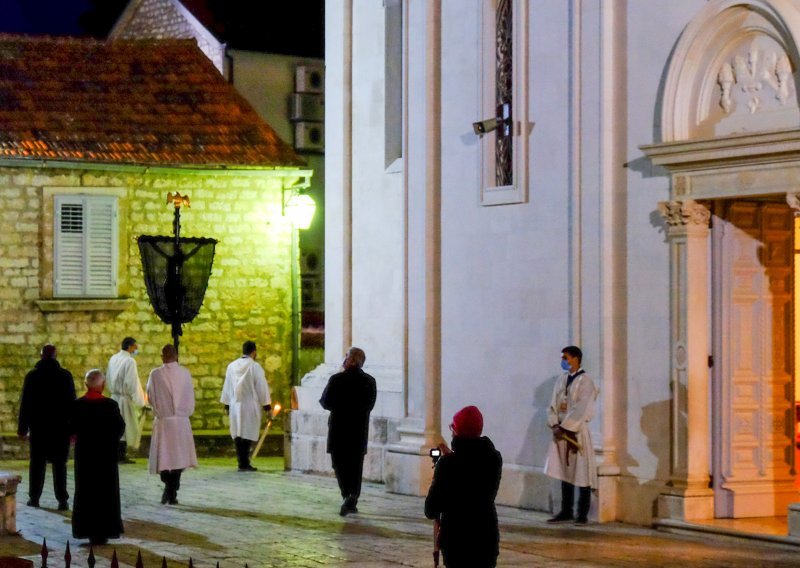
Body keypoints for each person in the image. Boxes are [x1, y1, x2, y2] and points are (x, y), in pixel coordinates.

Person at [425, 406, 502, 568]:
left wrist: (442, 467)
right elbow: (471, 468)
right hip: (486, 538)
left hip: (456, 541)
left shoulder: (448, 465)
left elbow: (431, 508)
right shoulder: (494, 459)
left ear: (457, 431)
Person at [17, 344, 76, 510]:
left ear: (41, 356)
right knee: (60, 465)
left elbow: (26, 404)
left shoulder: (32, 376)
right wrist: (73, 429)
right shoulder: (65, 376)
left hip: (39, 428)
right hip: (61, 428)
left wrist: (22, 428)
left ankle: (34, 498)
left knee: (37, 464)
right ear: (55, 356)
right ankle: (62, 500)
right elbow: (72, 404)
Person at [544, 345, 598, 525]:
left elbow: (582, 408)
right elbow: (553, 404)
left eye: (566, 358)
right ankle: (566, 510)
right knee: (565, 471)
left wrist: (566, 426)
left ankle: (582, 513)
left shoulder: (586, 381)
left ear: (576, 359)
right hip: (560, 431)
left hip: (576, 432)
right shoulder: (562, 379)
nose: (563, 361)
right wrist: (554, 423)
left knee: (581, 472)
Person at [319, 346, 376, 516]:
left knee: (339, 464)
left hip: (339, 429)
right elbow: (370, 405)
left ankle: (347, 495)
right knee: (355, 465)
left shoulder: (337, 379)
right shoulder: (369, 381)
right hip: (358, 430)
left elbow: (325, 402)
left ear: (351, 360)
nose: (343, 360)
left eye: (346, 357)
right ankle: (352, 496)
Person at [71, 369, 125, 546]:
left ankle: (86, 529)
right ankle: (105, 530)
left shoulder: (77, 406)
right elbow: (119, 428)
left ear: (86, 384)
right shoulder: (110, 405)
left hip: (85, 456)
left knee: (86, 491)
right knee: (105, 492)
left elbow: (71, 429)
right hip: (105, 456)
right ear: (102, 385)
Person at [146, 344, 198, 505]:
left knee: (165, 458)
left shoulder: (155, 374)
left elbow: (151, 395)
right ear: (176, 356)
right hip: (180, 422)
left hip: (165, 422)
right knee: (178, 459)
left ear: (162, 356)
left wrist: (159, 410)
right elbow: (189, 396)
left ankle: (169, 488)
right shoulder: (185, 373)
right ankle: (172, 489)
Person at [220, 341, 271, 471]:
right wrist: (267, 407)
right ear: (254, 352)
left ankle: (241, 461)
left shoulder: (231, 366)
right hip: (249, 405)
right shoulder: (255, 367)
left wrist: (226, 404)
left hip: (235, 405)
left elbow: (227, 386)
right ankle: (244, 462)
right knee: (247, 433)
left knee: (238, 433)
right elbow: (261, 388)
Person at [106, 337, 146, 463]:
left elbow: (108, 376)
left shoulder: (114, 358)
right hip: (124, 398)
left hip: (115, 397)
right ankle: (121, 455)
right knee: (125, 426)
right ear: (129, 347)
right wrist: (140, 401)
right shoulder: (129, 361)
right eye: (135, 347)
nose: (137, 349)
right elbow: (132, 383)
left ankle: (116, 454)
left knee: (116, 426)